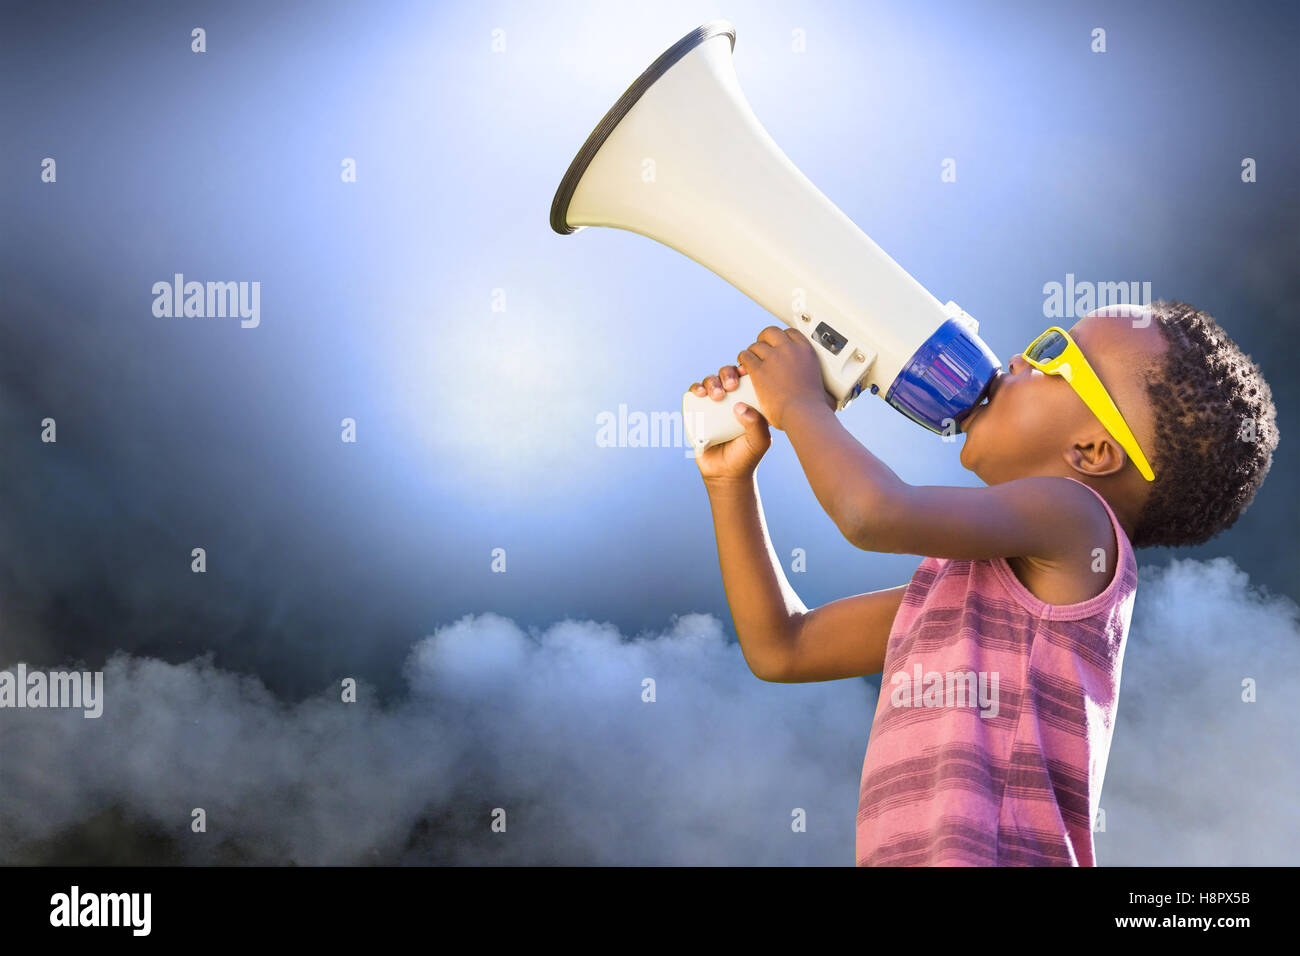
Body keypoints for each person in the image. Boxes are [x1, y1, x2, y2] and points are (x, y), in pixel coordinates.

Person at [688, 300, 1278, 865]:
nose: (1020, 358)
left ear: (1093, 451)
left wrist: (799, 405)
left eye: (1056, 356)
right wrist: (729, 483)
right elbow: (784, 648)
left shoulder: (1079, 523)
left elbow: (873, 514)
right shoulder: (966, 591)